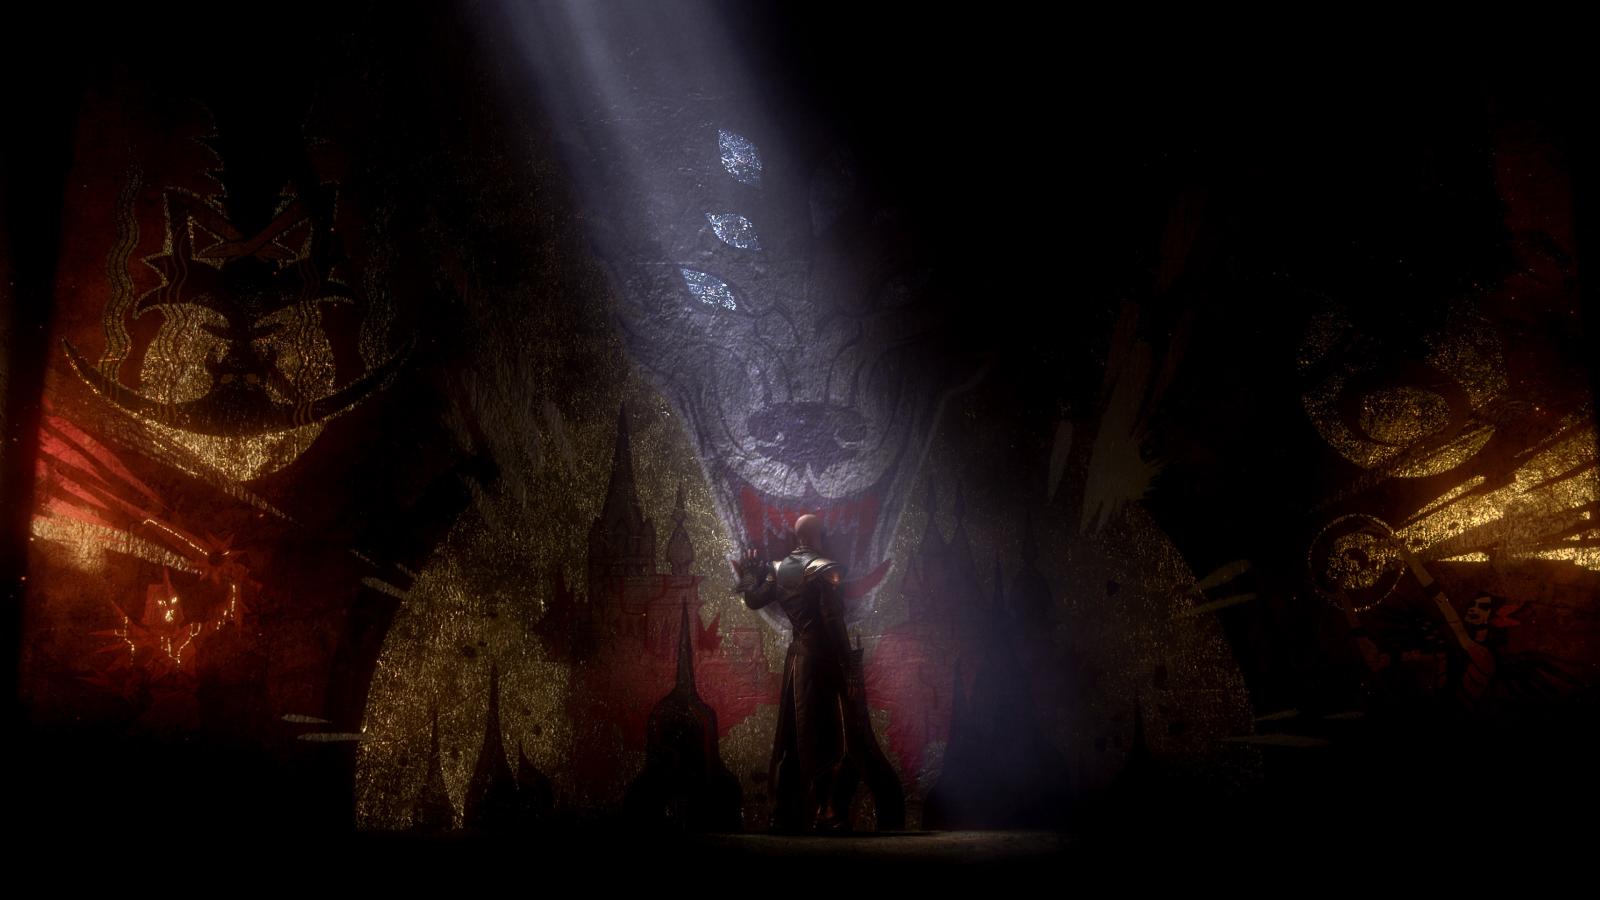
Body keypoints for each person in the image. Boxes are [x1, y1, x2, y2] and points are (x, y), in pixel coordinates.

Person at [730, 513, 857, 832]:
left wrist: (749, 579)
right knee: (827, 732)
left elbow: (754, 600)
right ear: (817, 535)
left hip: (796, 660)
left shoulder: (778, 569)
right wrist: (848, 661)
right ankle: (825, 811)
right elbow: (833, 620)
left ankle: (782, 813)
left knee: (790, 734)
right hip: (822, 660)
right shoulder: (824, 569)